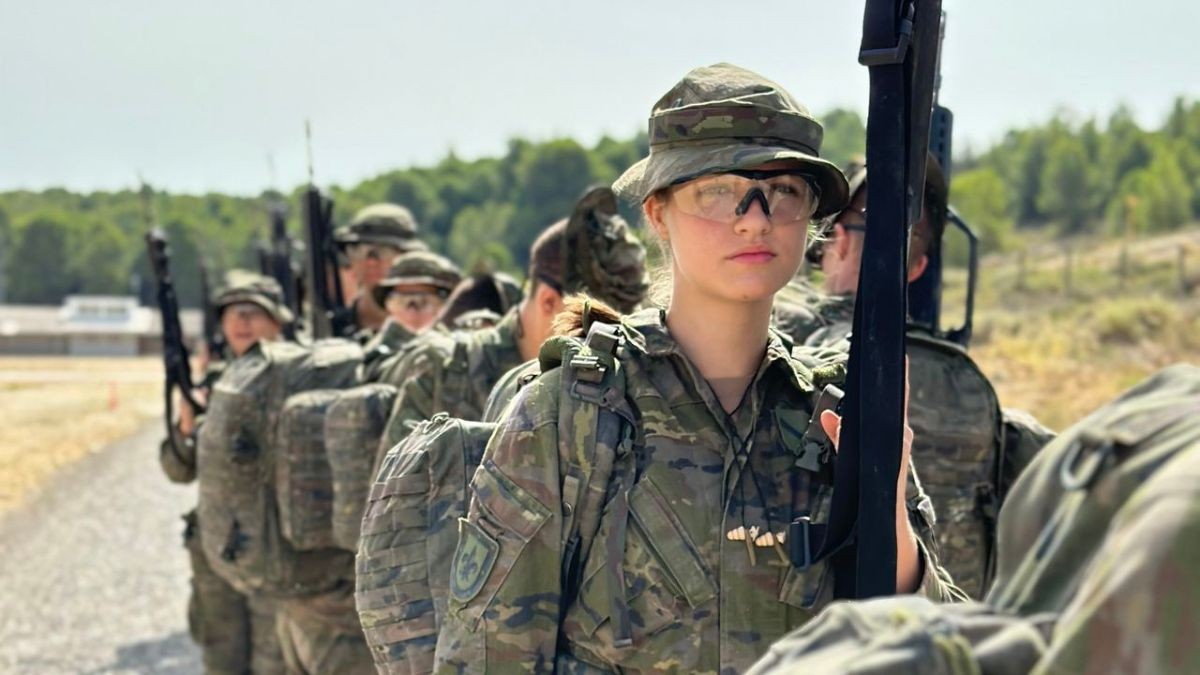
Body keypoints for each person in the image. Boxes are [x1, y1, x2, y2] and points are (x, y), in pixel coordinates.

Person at [433, 63, 961, 673]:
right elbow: (484, 660)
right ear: (658, 213)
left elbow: (942, 650)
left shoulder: (839, 414)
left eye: (784, 191)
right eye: (718, 191)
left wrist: (889, 521)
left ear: (811, 218)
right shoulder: (569, 416)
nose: (755, 217)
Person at [796, 159, 1056, 598]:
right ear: (917, 268)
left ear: (834, 242)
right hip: (954, 641)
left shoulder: (803, 358)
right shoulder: (963, 380)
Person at [375, 186, 648, 454]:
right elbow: (394, 493)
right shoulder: (444, 374)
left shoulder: (623, 381)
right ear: (548, 302)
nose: (610, 345)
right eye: (596, 326)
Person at [160, 270, 290, 675]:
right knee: (222, 656)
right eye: (233, 312)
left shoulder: (299, 376)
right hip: (216, 547)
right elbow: (178, 471)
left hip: (277, 545)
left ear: (278, 322)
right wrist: (185, 425)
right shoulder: (209, 385)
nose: (242, 322)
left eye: (253, 312)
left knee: (277, 658)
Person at [359, 251, 461, 383]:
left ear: (445, 305)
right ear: (389, 305)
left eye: (422, 301)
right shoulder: (373, 353)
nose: (411, 311)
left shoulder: (460, 344)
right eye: (401, 301)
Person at [333, 203, 427, 336]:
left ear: (407, 258)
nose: (370, 261)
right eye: (359, 251)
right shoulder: (332, 328)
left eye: (383, 251)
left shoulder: (425, 326)